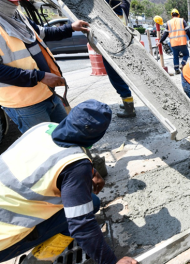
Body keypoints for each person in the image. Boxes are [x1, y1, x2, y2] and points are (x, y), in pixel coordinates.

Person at [0, 100, 137, 264]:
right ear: (98, 136)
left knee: (89, 201)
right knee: (89, 206)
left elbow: (52, 154)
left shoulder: (41, 128)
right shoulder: (75, 167)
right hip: (5, 238)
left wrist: (91, 170)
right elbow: (82, 226)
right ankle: (38, 260)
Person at [0, 0, 89, 133]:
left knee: (68, 136)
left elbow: (42, 33)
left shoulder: (17, 15)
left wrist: (70, 28)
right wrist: (39, 76)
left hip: (47, 92)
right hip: (24, 104)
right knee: (45, 147)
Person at [104, 0, 136, 118]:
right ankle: (127, 101)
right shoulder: (123, 5)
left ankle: (128, 105)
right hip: (122, 44)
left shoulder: (113, 6)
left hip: (112, 46)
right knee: (120, 75)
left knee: (115, 75)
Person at [160, 9, 190, 75]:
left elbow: (165, 34)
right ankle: (183, 63)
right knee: (186, 54)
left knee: (175, 56)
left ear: (172, 15)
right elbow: (188, 31)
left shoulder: (168, 22)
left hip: (173, 43)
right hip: (182, 42)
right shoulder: (182, 20)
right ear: (178, 15)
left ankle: (176, 69)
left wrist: (160, 41)